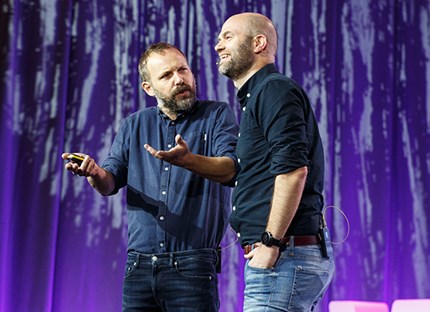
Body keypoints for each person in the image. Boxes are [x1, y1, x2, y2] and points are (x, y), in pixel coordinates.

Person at [62, 42, 239, 312]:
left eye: (183, 70)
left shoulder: (215, 115)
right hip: (139, 268)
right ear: (148, 88)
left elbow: (230, 170)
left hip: (192, 265)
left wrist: (190, 161)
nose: (180, 79)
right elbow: (109, 183)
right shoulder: (134, 124)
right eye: (167, 75)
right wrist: (94, 173)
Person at [215, 13, 335, 311]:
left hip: (284, 257)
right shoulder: (260, 94)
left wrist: (270, 244)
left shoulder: (273, 89)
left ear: (259, 43)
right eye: (219, 38)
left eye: (228, 36)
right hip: (286, 257)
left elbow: (294, 171)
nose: (218, 46)